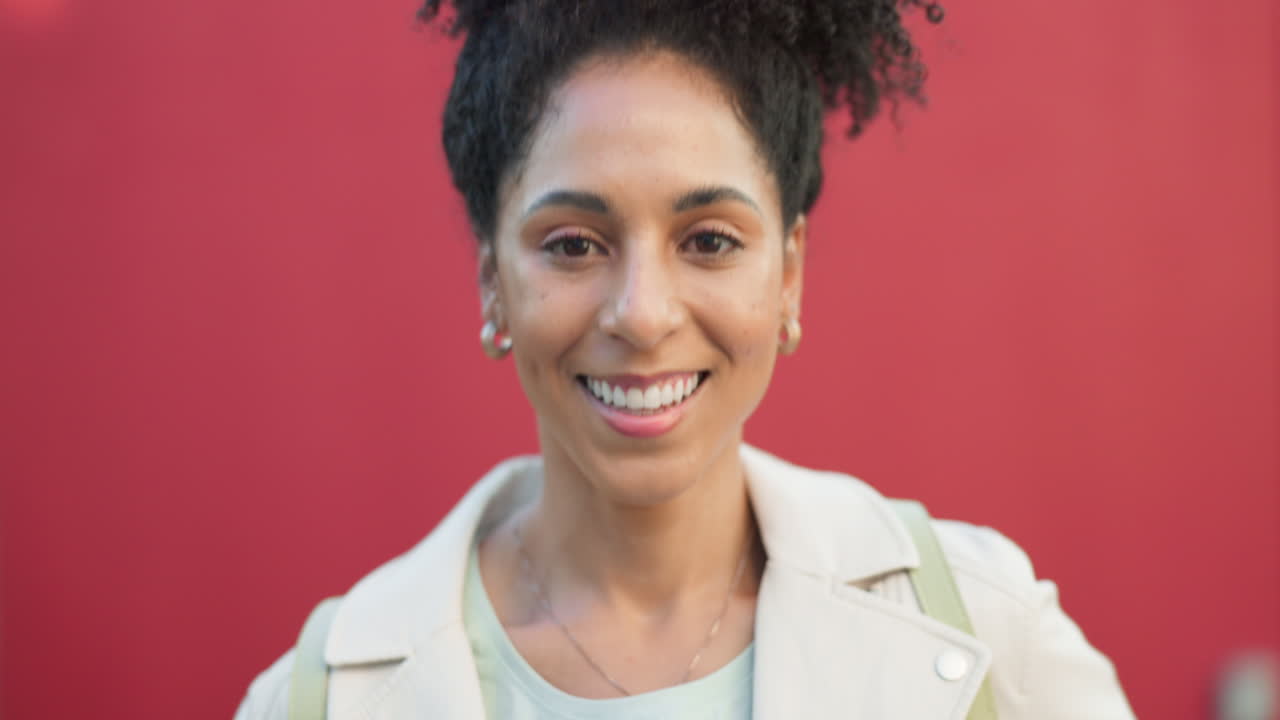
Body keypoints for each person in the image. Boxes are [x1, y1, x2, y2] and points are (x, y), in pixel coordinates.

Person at [236, 1, 1136, 718]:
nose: (643, 313)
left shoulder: (991, 632)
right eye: (574, 245)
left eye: (708, 240)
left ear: (787, 276)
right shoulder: (316, 698)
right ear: (491, 280)